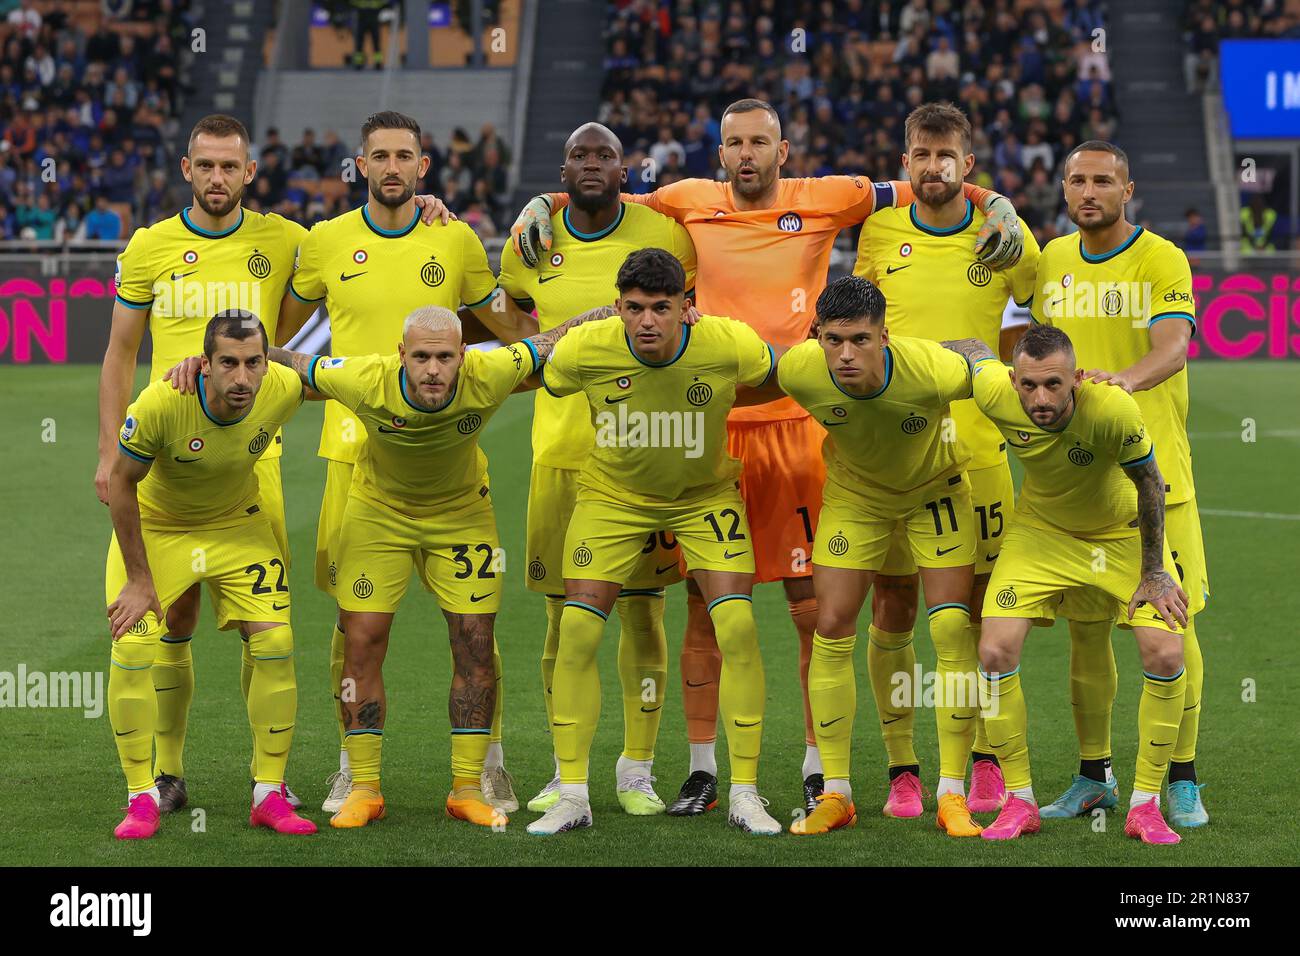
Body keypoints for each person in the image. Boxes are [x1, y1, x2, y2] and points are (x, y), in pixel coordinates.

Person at [509, 97, 1024, 817]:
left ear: (783, 151)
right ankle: (702, 768)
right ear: (719, 152)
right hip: (713, 428)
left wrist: (995, 201)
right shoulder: (688, 201)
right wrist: (546, 198)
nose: (746, 154)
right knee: (705, 607)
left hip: (800, 424)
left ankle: (820, 770)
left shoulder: (828, 197)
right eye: (734, 143)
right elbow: (605, 186)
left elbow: (927, 181)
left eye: (760, 142)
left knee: (812, 608)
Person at [275, 110, 535, 815]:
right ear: (359, 165)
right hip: (349, 454)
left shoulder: (452, 237)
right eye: (379, 156)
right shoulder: (327, 242)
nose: (392, 167)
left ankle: (491, 765)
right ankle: (348, 765)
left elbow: (511, 326)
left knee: (475, 621)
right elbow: (283, 337)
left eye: (405, 156)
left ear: (425, 167)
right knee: (352, 623)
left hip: (444, 453)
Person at [262, 305, 604, 828]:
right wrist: (218, 356)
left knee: (474, 643)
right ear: (401, 355)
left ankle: (467, 788)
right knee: (361, 641)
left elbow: (553, 338)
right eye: (420, 356)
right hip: (378, 514)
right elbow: (295, 362)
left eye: (445, 357)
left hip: (462, 515)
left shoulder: (490, 373)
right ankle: (365, 786)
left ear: (463, 356)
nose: (433, 370)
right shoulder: (364, 378)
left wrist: (609, 313)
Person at [528, 248, 783, 837]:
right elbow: (540, 372)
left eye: (661, 308)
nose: (647, 321)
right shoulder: (588, 346)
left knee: (739, 628)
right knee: (578, 631)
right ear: (617, 307)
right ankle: (573, 794)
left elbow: (785, 371)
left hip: (704, 500)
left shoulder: (725, 342)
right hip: (611, 500)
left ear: (685, 309)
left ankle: (744, 792)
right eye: (635, 308)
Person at [497, 122, 697, 816]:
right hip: (559, 457)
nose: (591, 164)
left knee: (644, 619)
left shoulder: (664, 231)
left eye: (603, 155)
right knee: (563, 624)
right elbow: (510, 324)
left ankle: (636, 769)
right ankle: (565, 768)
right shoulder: (531, 243)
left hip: (644, 456)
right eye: (579, 155)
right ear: (564, 165)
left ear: (624, 167)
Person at [853, 102, 1041, 819]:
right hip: (896, 454)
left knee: (979, 611)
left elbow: (1041, 313)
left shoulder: (1002, 236)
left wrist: (1010, 212)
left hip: (982, 450)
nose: (933, 168)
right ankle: (903, 767)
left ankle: (986, 757)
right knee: (895, 607)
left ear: (968, 165)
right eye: (921, 155)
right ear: (905, 164)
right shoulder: (879, 229)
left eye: (947, 156)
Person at [944, 326, 1189, 844]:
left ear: (1077, 378)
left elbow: (1149, 481)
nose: (1041, 399)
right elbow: (974, 350)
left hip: (1119, 533)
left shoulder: (1112, 410)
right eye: (1029, 386)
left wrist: (1154, 572)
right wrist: (902, 349)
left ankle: (1145, 805)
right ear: (1014, 381)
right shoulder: (997, 391)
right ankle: (1020, 801)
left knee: (1166, 654)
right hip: (1042, 534)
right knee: (993, 651)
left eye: (1054, 384)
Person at [1033, 140, 1209, 829]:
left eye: (1103, 180)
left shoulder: (1161, 257)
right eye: (1077, 179)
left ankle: (1183, 778)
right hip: (1079, 487)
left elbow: (1173, 344)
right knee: (1086, 634)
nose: (1088, 191)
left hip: (1157, 480)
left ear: (1127, 188)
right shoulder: (1049, 260)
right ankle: (1093, 775)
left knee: (1172, 630)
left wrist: (1120, 386)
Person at [105, 312, 317, 840]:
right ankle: (143, 796)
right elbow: (121, 482)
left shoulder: (282, 386)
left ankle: (268, 792)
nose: (242, 379)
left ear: (268, 363)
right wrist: (138, 579)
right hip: (160, 527)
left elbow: (352, 376)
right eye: (228, 363)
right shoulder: (160, 403)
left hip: (236, 525)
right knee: (134, 646)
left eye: (253, 363)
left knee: (276, 642)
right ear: (205, 364)